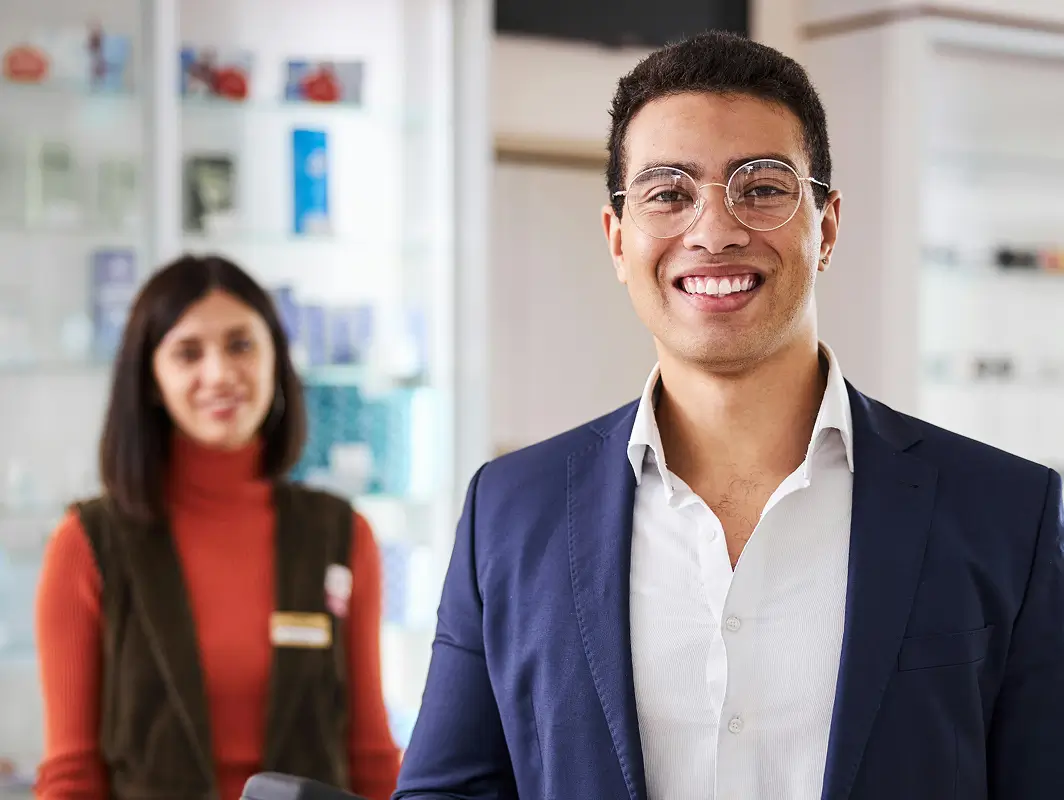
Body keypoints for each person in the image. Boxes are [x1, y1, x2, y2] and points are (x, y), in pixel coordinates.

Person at [393, 30, 1064, 800]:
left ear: (828, 228)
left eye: (763, 186)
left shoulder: (1003, 512)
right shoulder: (509, 513)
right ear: (618, 240)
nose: (713, 231)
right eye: (668, 193)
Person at [34, 255, 400, 800]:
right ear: (152, 379)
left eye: (241, 345)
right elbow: (72, 775)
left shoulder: (341, 535)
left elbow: (370, 756)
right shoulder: (89, 542)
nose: (220, 374)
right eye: (188, 353)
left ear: (276, 356)